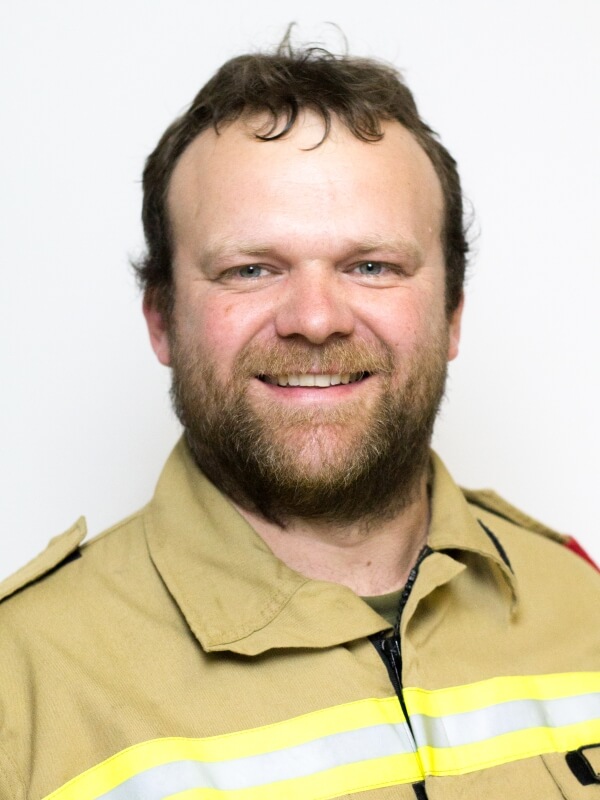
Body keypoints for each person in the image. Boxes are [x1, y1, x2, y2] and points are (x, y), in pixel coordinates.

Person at [1, 39, 599, 800]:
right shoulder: (19, 684)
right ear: (161, 320)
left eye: (373, 266)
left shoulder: (583, 602)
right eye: (250, 269)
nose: (315, 320)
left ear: (451, 314)